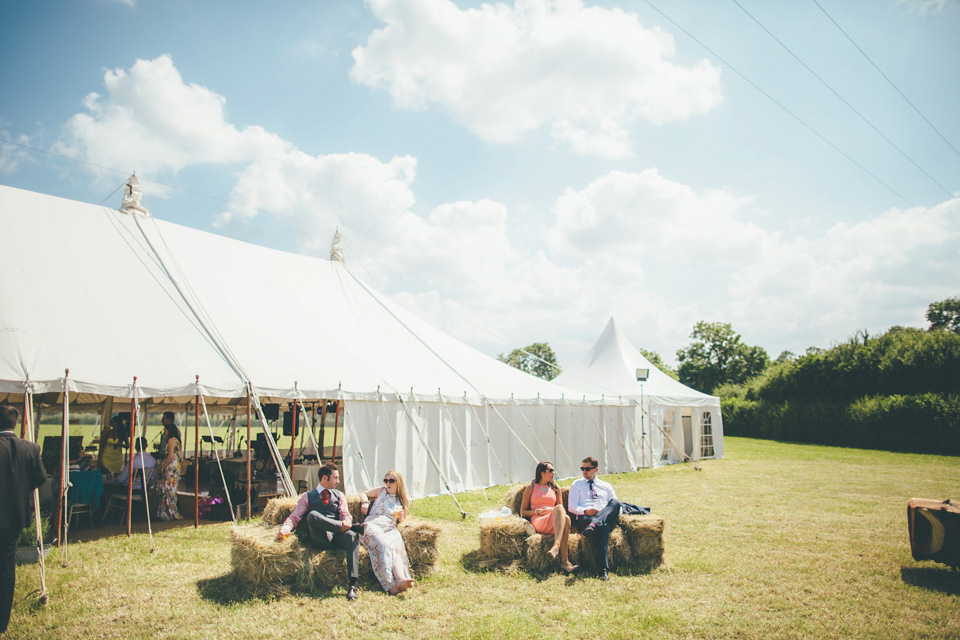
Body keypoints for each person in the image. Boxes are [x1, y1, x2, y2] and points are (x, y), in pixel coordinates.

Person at [278, 463, 360, 601]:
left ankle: (352, 585)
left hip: (337, 537)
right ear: (324, 478)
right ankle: (339, 526)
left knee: (351, 535)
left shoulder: (339, 495)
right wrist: (285, 529)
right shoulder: (307, 496)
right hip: (320, 539)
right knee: (312, 515)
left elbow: (345, 514)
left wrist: (346, 520)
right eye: (335, 478)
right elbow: (295, 516)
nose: (338, 481)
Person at [0, 404, 47, 634]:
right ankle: (2, 622)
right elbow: (40, 478)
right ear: (15, 423)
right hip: (14, 515)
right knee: (6, 567)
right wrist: (20, 490)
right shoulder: (31, 447)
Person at [357, 469, 415, 595]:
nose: (388, 483)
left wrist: (400, 516)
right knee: (384, 545)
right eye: (386, 480)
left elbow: (402, 520)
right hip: (374, 524)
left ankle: (401, 579)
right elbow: (363, 493)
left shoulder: (403, 501)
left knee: (397, 547)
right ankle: (390, 585)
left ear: (398, 482)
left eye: (391, 481)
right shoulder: (381, 491)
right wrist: (365, 503)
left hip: (389, 528)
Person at [567, 456, 621, 580]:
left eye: (588, 469)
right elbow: (572, 506)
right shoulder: (577, 484)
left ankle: (595, 524)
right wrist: (585, 510)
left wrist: (603, 513)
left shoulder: (606, 486)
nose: (584, 471)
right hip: (585, 517)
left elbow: (616, 507)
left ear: (596, 469)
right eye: (582, 468)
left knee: (616, 503)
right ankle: (603, 570)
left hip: (603, 515)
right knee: (604, 526)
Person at [519, 461, 577, 574]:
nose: (553, 473)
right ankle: (561, 554)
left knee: (566, 517)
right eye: (550, 470)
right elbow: (523, 511)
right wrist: (536, 511)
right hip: (538, 520)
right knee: (564, 516)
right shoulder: (531, 488)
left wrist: (551, 510)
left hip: (553, 520)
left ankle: (563, 559)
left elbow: (561, 509)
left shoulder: (556, 489)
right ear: (542, 473)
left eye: (553, 470)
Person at [156, 420, 182, 521]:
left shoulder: (171, 440)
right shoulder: (177, 440)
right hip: (175, 467)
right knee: (171, 490)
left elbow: (170, 456)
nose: (164, 433)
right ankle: (171, 510)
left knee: (166, 489)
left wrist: (163, 466)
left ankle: (166, 511)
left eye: (165, 430)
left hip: (170, 467)